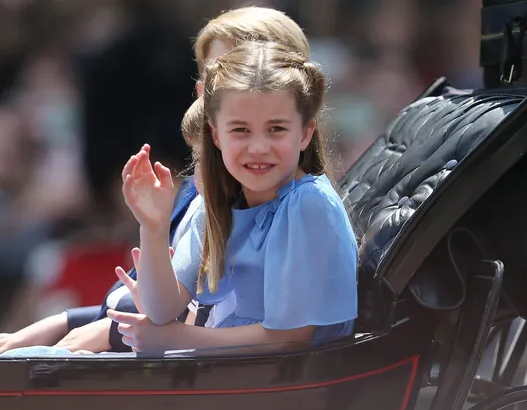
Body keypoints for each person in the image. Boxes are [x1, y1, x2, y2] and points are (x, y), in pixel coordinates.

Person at [0, 5, 314, 354]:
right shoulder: (202, 196)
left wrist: (111, 333)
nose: (212, 94)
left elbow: (232, 319)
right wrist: (64, 322)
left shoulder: (285, 204)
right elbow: (168, 299)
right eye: (209, 79)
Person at [109, 41, 358, 354]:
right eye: (241, 130)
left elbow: (293, 336)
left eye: (276, 129)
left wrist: (178, 339)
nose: (258, 147)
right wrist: (153, 227)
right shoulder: (220, 201)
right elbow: (162, 310)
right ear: (216, 135)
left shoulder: (309, 204)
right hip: (229, 375)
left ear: (305, 133)